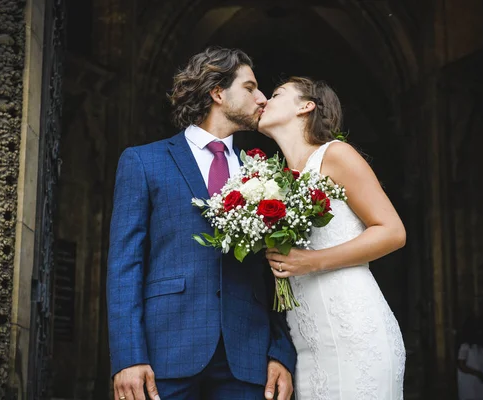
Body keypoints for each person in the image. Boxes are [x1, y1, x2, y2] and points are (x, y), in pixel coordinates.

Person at [106, 47, 296, 400]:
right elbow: (124, 266)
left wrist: (280, 352)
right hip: (165, 354)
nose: (262, 98)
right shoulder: (143, 162)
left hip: (249, 358)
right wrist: (128, 356)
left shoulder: (264, 173)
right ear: (218, 92)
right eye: (250, 87)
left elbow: (280, 270)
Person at [258, 77, 406, 399]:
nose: (263, 101)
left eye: (276, 94)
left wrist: (311, 261)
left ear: (306, 106)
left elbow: (393, 232)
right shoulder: (273, 181)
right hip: (307, 342)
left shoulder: (335, 154)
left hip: (354, 330)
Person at [456, 317, 483, 400]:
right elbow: (462, 365)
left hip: (480, 382)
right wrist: (478, 373)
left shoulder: (480, 346)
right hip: (470, 382)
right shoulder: (465, 347)